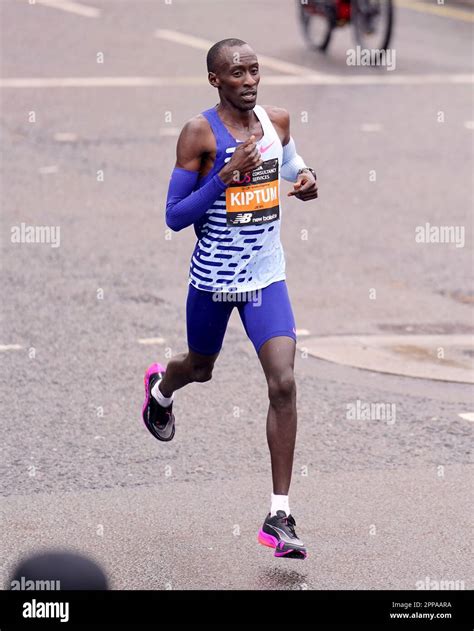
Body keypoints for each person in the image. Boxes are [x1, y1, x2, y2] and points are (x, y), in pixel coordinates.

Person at [142, 38, 318, 559]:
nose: (248, 81)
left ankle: (279, 515)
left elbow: (291, 165)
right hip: (215, 278)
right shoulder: (199, 133)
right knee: (199, 367)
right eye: (236, 73)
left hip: (266, 277)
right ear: (215, 80)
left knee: (283, 382)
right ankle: (160, 388)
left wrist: (307, 179)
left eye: (254, 71)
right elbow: (175, 216)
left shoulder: (277, 121)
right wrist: (223, 175)